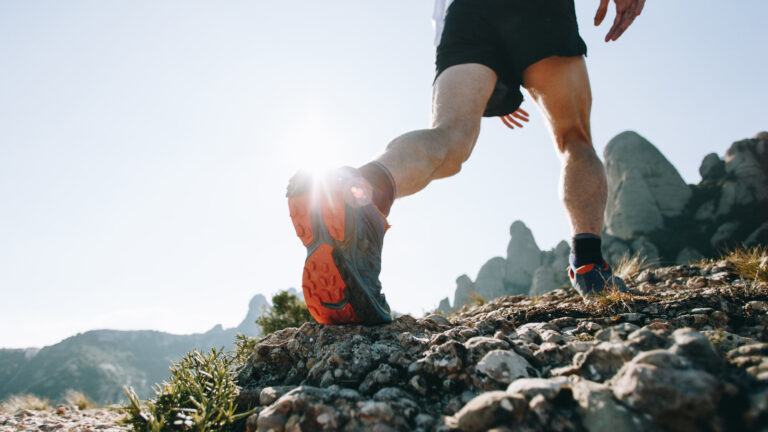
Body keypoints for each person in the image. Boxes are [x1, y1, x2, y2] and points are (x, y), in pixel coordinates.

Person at [287, 0, 646, 325]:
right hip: (540, 11)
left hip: (466, 14)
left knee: (449, 137)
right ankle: (589, 265)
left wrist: (491, 84)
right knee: (574, 138)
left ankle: (356, 188)